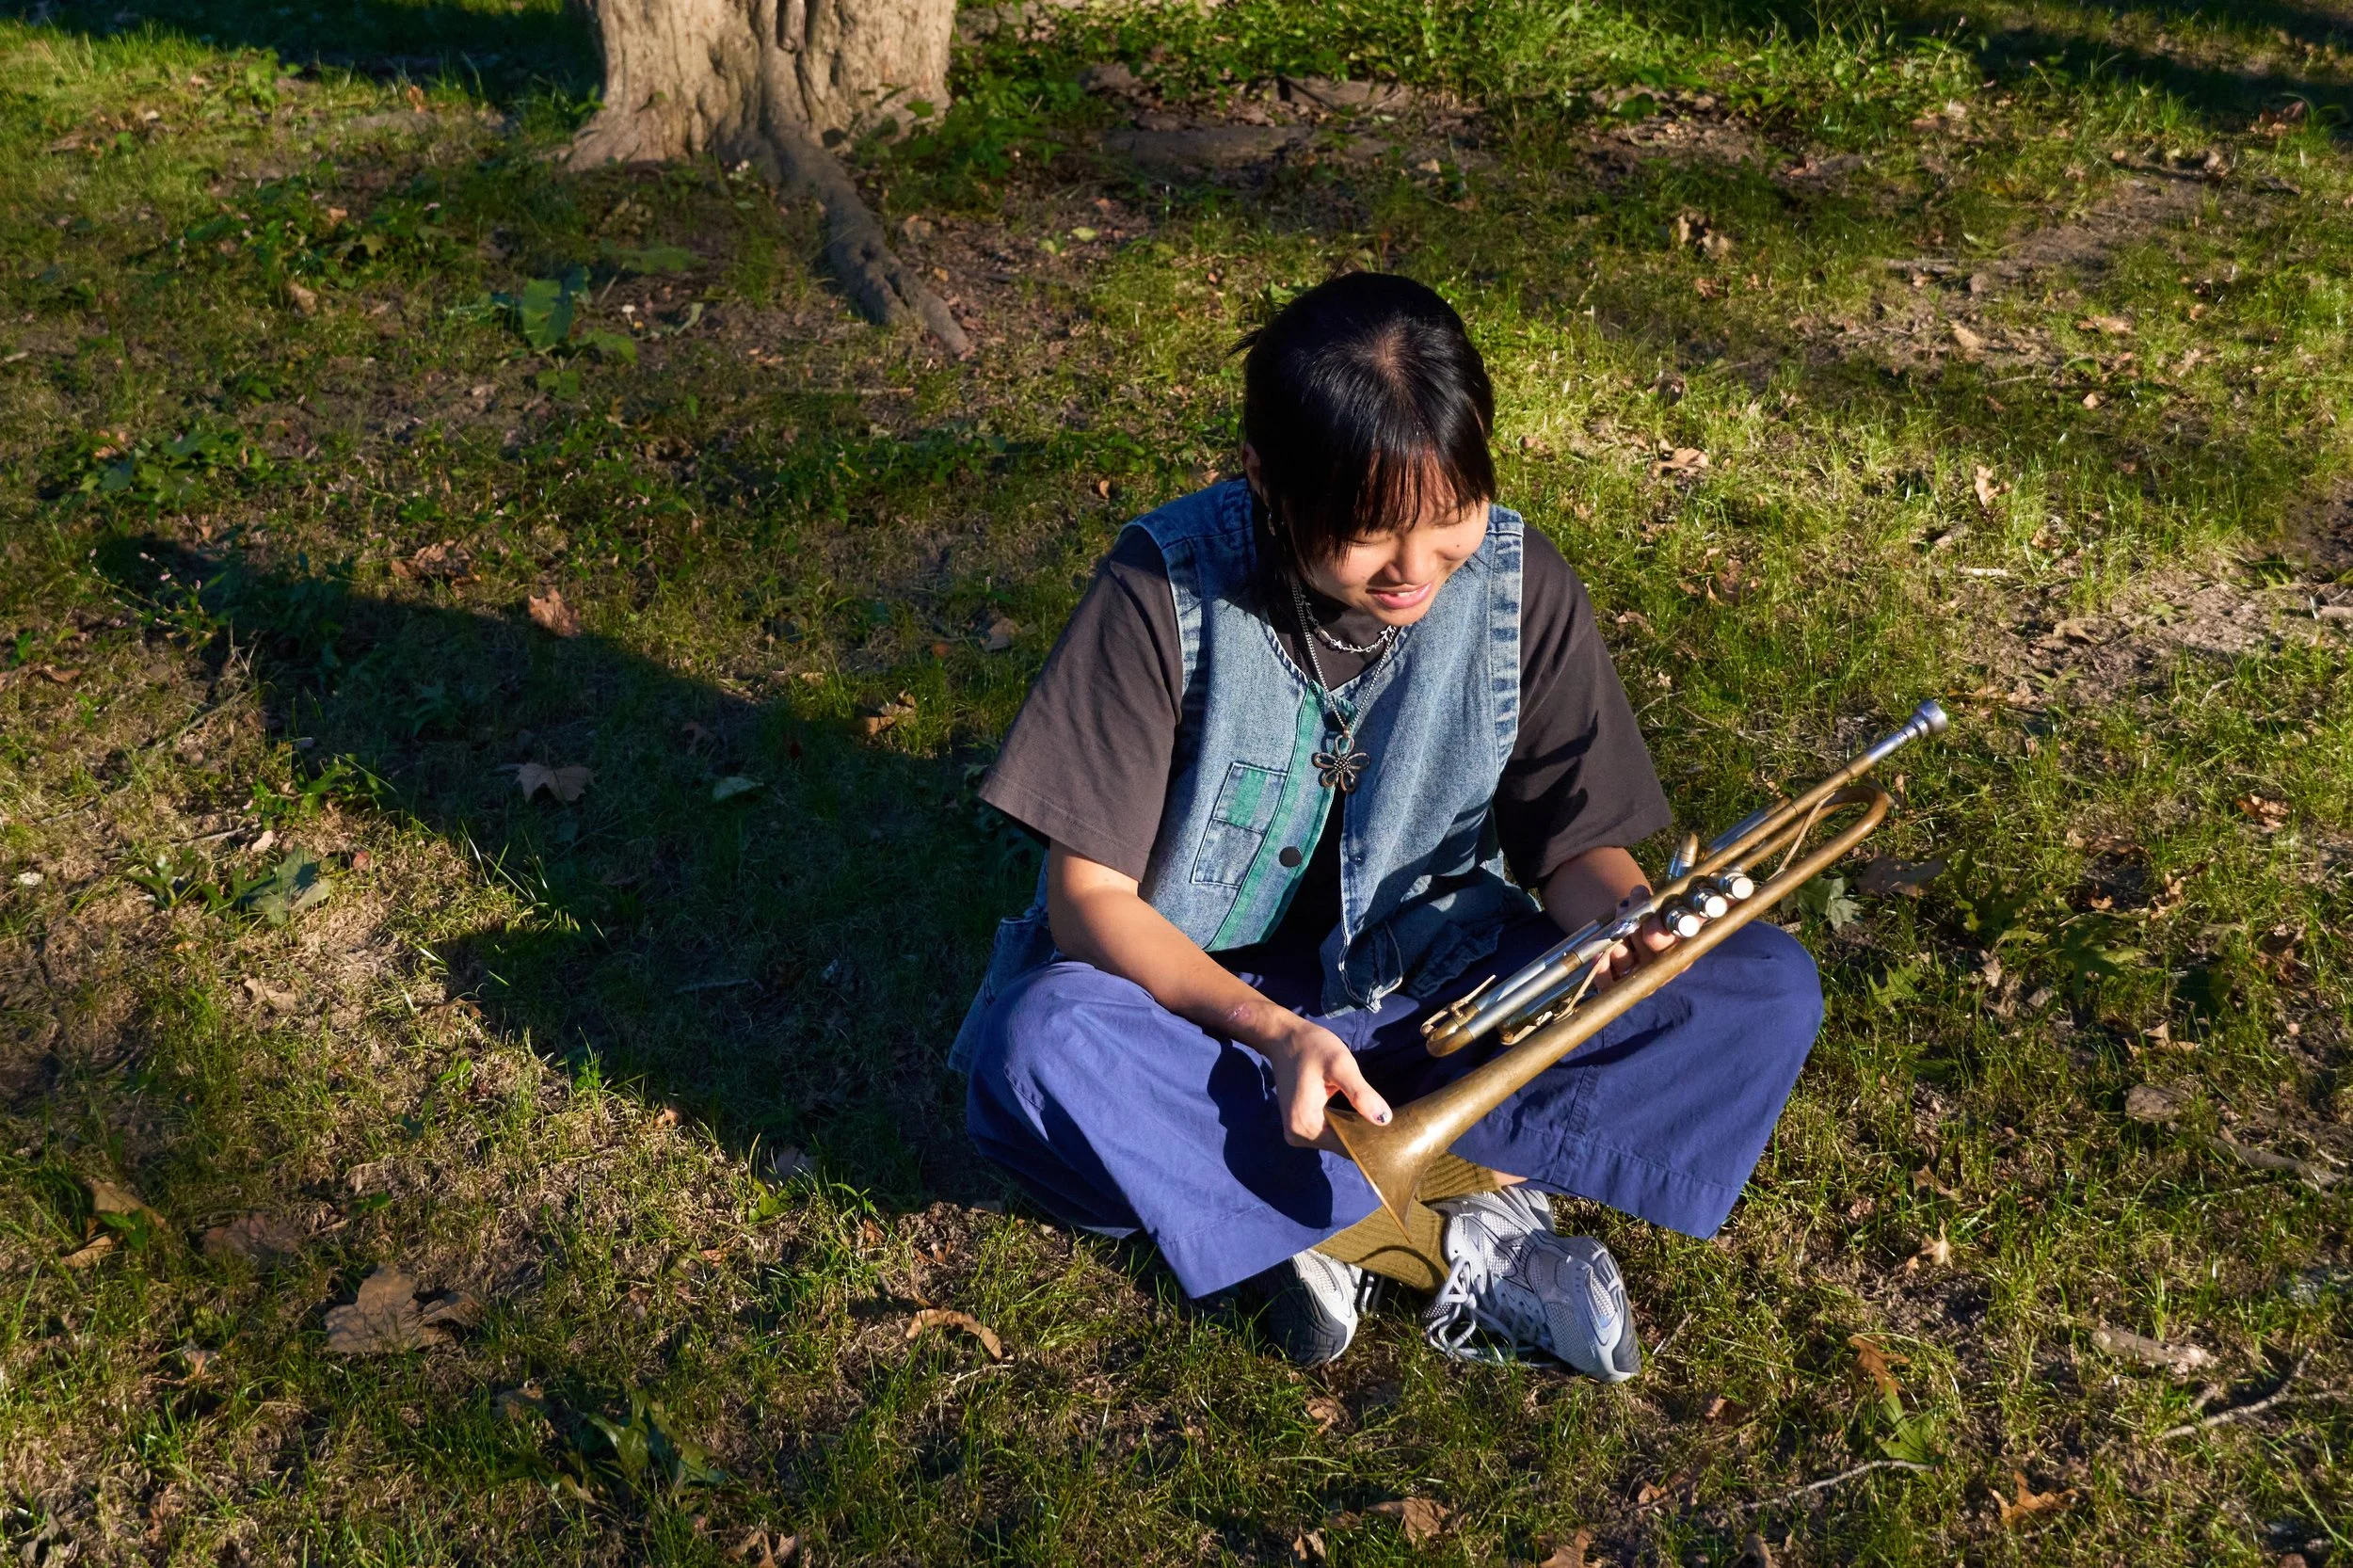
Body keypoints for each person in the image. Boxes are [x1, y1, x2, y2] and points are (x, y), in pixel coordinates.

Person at [951, 272, 1823, 1376]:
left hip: (1440, 986)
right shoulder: (1156, 590)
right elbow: (1086, 901)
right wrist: (1272, 1035)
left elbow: (1573, 850)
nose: (1415, 569)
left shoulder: (1522, 584)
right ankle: (1451, 1233)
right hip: (1205, 1018)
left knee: (1761, 986)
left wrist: (1627, 927)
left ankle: (1296, 1217)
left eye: (1450, 521)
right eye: (1368, 535)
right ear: (1268, 479)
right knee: (1042, 1047)